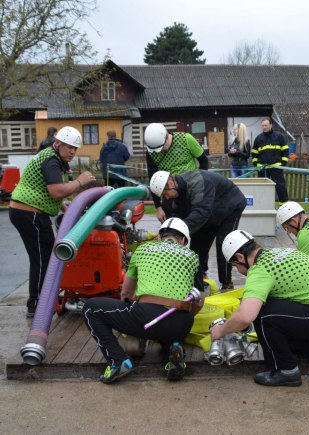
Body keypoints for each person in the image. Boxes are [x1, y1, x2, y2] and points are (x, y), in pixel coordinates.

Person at [210, 230, 309, 387]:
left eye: (235, 266)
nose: (238, 271)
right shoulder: (280, 252)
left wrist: (221, 330)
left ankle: (285, 371)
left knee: (265, 315)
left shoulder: (260, 269)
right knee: (277, 337)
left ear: (240, 257)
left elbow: (246, 316)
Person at [83, 218, 204, 384]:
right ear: (183, 240)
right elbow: (199, 301)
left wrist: (132, 311)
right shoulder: (193, 256)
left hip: (147, 318)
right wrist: (185, 318)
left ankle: (117, 361)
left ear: (160, 237)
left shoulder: (143, 249)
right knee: (170, 325)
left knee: (91, 309)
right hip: (182, 322)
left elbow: (126, 292)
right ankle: (174, 350)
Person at [9, 126, 95, 317]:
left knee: (44, 256)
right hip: (29, 213)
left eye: (75, 148)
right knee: (43, 259)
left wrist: (67, 208)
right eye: (69, 147)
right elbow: (56, 191)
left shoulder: (51, 156)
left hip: (25, 211)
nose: (72, 151)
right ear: (58, 143)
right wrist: (80, 181)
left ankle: (42, 300)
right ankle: (37, 305)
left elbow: (51, 194)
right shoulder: (52, 161)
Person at [149, 169, 246, 291]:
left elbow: (201, 213)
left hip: (230, 205)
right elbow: (175, 219)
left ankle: (226, 283)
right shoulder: (173, 195)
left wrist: (177, 231)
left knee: (224, 244)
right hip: (210, 209)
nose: (165, 197)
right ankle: (197, 282)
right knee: (197, 246)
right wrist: (165, 232)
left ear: (171, 184)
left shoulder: (198, 182)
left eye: (165, 194)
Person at [144, 123, 209, 223]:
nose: (159, 152)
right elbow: (153, 179)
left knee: (194, 225)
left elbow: (204, 161)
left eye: (161, 148)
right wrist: (158, 207)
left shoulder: (186, 139)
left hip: (190, 191)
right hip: (169, 195)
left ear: (166, 137)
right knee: (172, 230)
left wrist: (200, 183)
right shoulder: (151, 151)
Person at [252, 117, 289, 203]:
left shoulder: (279, 136)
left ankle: (284, 205)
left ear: (271, 125)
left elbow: (285, 150)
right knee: (262, 188)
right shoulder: (258, 138)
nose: (264, 127)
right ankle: (263, 205)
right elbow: (254, 153)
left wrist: (283, 163)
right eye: (262, 125)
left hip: (276, 167)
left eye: (266, 125)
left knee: (280, 186)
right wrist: (256, 164)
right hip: (262, 168)